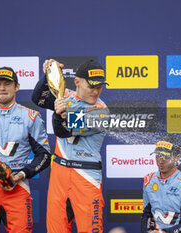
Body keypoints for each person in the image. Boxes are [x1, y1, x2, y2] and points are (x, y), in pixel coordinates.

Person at [0, 67, 51, 233]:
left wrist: (23, 174)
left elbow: (44, 155)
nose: (2, 88)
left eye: (7, 83)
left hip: (17, 182)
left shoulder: (31, 116)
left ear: (17, 87)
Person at [32, 59, 109, 233]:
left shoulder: (100, 111)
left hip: (86, 175)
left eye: (100, 87)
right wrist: (50, 75)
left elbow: (63, 130)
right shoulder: (65, 95)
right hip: (60, 171)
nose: (96, 91)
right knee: (56, 229)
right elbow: (38, 98)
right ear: (77, 82)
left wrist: (60, 114)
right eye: (91, 86)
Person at [141, 135, 181, 233]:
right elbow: (146, 215)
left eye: (166, 156)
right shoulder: (149, 180)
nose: (160, 160)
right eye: (158, 155)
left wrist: (163, 232)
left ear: (177, 157)